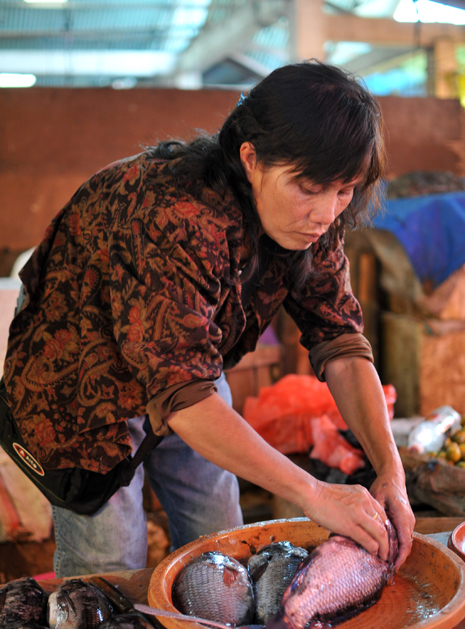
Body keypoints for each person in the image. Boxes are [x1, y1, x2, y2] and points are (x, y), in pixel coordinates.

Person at [3, 60, 415, 578]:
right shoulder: (174, 214)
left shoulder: (315, 217)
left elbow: (341, 342)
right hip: (80, 378)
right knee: (109, 565)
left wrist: (391, 472)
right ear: (251, 159)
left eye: (344, 190)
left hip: (185, 366)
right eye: (309, 187)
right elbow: (185, 398)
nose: (327, 212)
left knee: (221, 539)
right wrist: (312, 493)